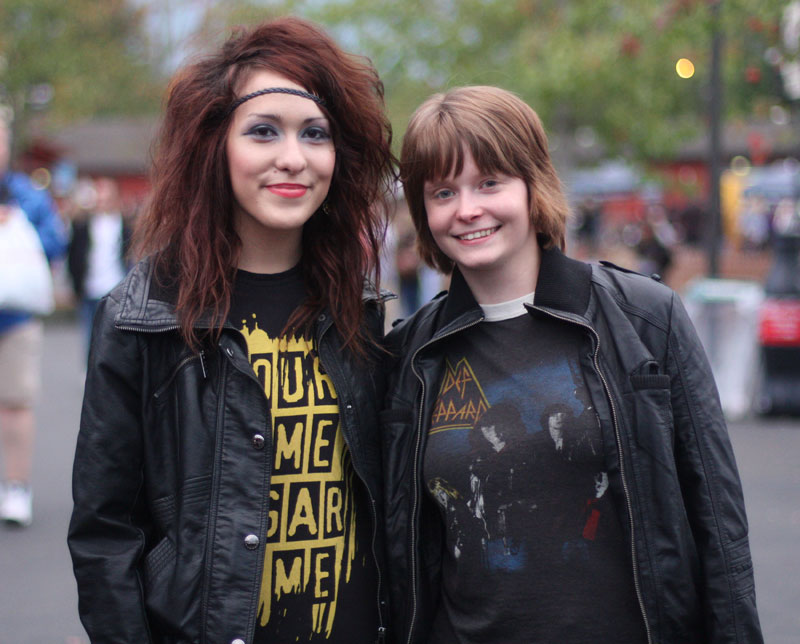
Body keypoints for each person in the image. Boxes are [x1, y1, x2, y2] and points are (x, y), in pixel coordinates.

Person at [382, 86, 762, 644]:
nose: (468, 209)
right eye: (443, 191)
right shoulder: (409, 358)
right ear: (423, 211)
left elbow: (718, 521)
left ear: (533, 185)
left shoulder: (645, 319)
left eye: (490, 182)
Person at [67, 17, 395, 644]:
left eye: (316, 134)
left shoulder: (360, 310)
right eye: (263, 131)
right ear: (215, 144)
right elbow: (105, 535)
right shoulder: (143, 318)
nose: (292, 158)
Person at [0, 118, 66, 526]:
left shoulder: (26, 195)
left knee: (16, 403)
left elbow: (55, 242)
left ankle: (16, 486)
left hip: (16, 319)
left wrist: (17, 227)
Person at [66, 176, 133, 359]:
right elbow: (74, 256)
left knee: (116, 337)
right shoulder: (83, 225)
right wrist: (75, 286)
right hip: (90, 289)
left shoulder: (125, 226)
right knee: (90, 336)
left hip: (116, 289)